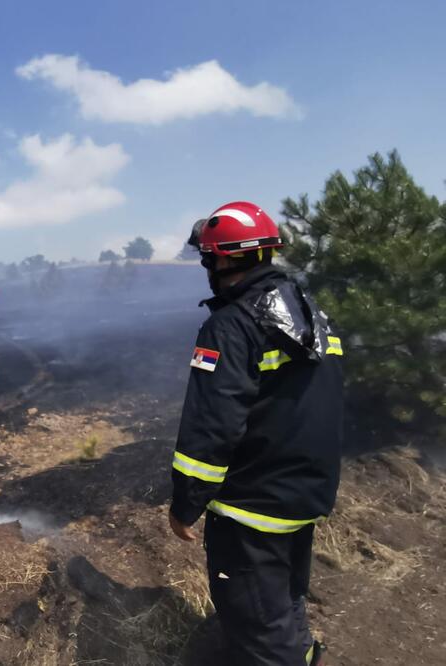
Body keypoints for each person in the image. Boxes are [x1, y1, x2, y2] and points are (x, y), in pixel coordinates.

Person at [169, 201, 343, 666]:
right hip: (304, 493)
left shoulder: (230, 325)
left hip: (252, 509)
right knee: (283, 601)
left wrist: (187, 503)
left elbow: (211, 426)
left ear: (222, 260)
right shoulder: (309, 313)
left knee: (258, 625)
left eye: (208, 257)